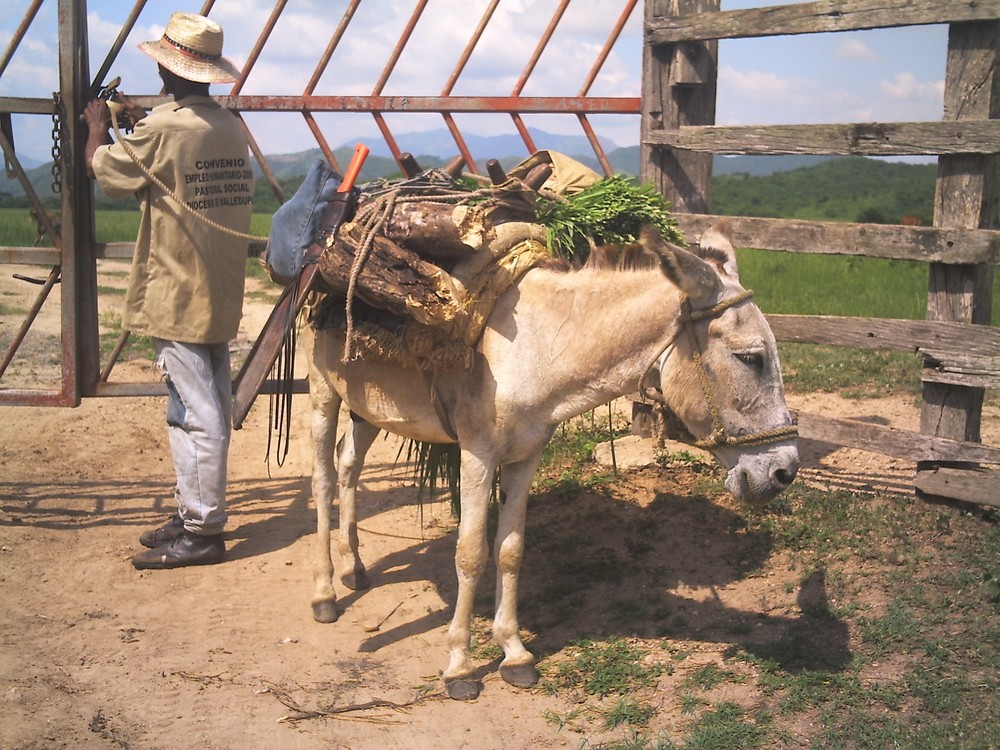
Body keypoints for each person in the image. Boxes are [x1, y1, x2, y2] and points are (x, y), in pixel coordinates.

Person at [84, 12, 254, 569]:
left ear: (167, 68)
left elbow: (104, 171)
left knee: (197, 411)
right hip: (219, 287)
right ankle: (189, 512)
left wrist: (94, 127)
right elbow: (174, 147)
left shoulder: (163, 130)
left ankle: (204, 531)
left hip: (178, 289)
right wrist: (141, 121)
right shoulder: (226, 125)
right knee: (191, 404)